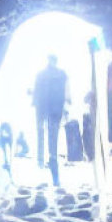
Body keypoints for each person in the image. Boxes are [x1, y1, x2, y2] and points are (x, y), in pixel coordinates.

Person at [32, 54, 67, 185]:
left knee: (42, 134)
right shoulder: (61, 74)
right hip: (54, 109)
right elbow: (64, 92)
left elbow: (36, 91)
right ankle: (51, 158)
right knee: (52, 135)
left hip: (43, 108)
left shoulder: (41, 74)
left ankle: (42, 160)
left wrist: (34, 102)